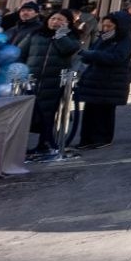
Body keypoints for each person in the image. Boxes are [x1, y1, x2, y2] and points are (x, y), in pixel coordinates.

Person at [22, 10, 81, 158]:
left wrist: (61, 36)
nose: (54, 22)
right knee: (27, 113)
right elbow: (21, 52)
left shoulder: (71, 37)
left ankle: (46, 143)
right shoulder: (36, 34)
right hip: (32, 79)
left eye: (59, 19)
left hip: (54, 81)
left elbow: (69, 50)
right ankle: (21, 145)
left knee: (48, 114)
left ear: (67, 23)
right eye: (52, 18)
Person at [75, 13, 131, 150]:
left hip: (111, 81)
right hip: (95, 80)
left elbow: (116, 57)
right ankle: (86, 139)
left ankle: (101, 139)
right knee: (90, 111)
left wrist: (92, 55)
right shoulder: (103, 38)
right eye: (104, 25)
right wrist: (87, 56)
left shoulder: (125, 40)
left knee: (104, 112)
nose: (106, 28)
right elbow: (93, 52)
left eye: (110, 26)